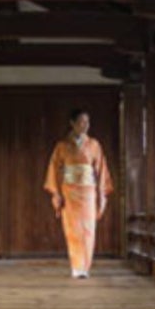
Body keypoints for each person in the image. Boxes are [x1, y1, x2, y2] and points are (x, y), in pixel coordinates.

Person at [43, 108, 113, 279]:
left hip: (88, 191)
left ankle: (86, 266)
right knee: (72, 229)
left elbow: (101, 170)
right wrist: (57, 193)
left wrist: (101, 193)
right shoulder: (62, 146)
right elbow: (54, 169)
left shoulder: (94, 145)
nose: (85, 125)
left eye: (87, 122)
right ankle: (77, 267)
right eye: (81, 122)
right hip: (69, 190)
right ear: (72, 123)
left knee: (89, 229)